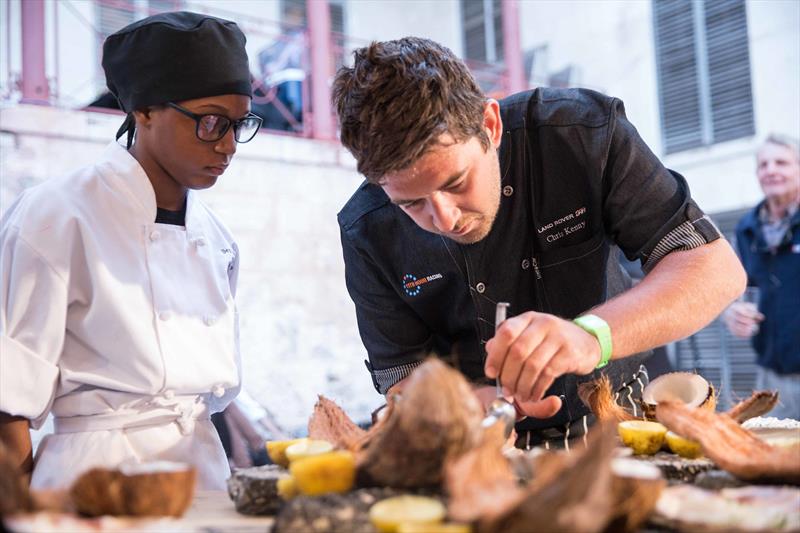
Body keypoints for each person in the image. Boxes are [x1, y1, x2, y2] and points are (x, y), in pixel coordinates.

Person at [333, 37, 746, 446]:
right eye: (411, 204)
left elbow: (715, 269)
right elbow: (401, 376)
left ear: (490, 126)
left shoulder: (579, 134)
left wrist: (590, 337)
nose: (445, 218)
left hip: (620, 414)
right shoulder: (366, 229)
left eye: (456, 182)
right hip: (485, 443)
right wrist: (464, 410)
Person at [0, 11, 263, 489]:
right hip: (92, 482)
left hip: (202, 475)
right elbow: (6, 406)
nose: (229, 146)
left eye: (239, 124)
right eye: (210, 122)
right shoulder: (56, 216)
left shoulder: (217, 238)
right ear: (143, 110)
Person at [723, 134, 800, 420]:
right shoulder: (746, 230)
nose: (771, 170)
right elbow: (730, 290)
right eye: (763, 164)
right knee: (771, 458)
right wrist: (731, 312)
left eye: (781, 162)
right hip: (771, 375)